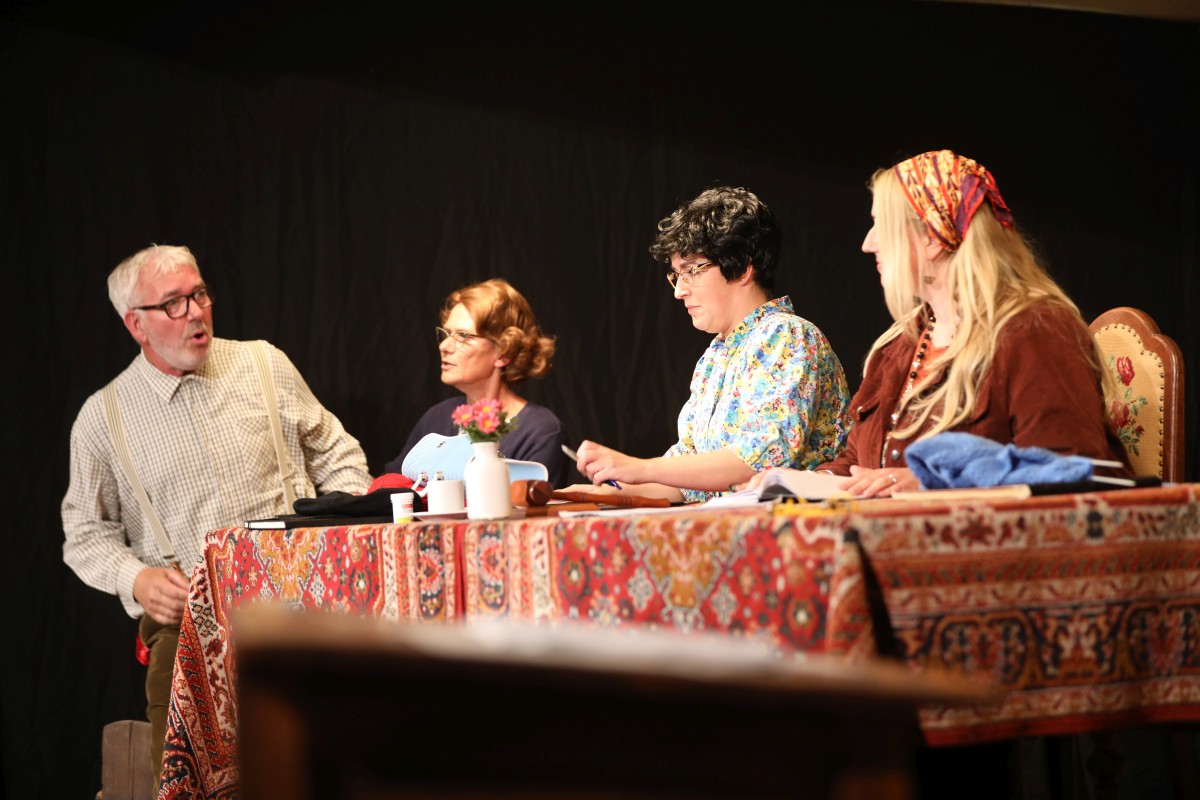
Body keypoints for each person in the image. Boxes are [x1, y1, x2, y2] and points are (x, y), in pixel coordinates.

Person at [61, 244, 372, 786]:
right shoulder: (103, 418)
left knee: (342, 761)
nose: (196, 313)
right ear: (136, 324)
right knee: (191, 781)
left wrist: (334, 542)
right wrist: (136, 578)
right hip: (190, 620)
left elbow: (337, 455)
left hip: (301, 598)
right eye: (173, 303)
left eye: (199, 294)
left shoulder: (263, 363)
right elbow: (85, 532)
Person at [748, 149, 1129, 498]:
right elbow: (856, 463)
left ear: (932, 238)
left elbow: (1069, 476)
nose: (868, 243)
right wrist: (804, 482)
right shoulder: (899, 345)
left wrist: (932, 483)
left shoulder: (1035, 330)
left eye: (881, 226)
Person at [570, 186, 853, 503]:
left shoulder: (786, 335)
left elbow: (761, 458)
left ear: (742, 268)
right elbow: (686, 480)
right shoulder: (714, 356)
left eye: (691, 271)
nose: (679, 291)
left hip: (795, 526)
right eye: (676, 275)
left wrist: (638, 467)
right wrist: (603, 492)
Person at [382, 278, 569, 487]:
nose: (444, 346)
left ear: (504, 351)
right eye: (446, 334)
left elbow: (531, 505)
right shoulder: (437, 419)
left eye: (463, 336)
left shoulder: (539, 431)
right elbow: (390, 489)